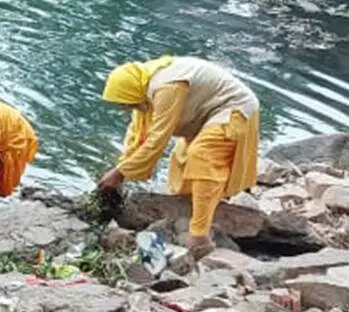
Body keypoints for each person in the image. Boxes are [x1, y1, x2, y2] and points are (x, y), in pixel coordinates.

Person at [97, 56, 260, 256]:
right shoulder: (143, 87)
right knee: (181, 159)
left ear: (131, 91)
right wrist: (120, 167)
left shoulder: (167, 87)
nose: (124, 108)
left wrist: (120, 173)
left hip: (233, 108)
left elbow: (158, 138)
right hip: (206, 113)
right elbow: (137, 135)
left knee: (202, 155)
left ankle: (200, 236)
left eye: (124, 103)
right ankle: (198, 206)